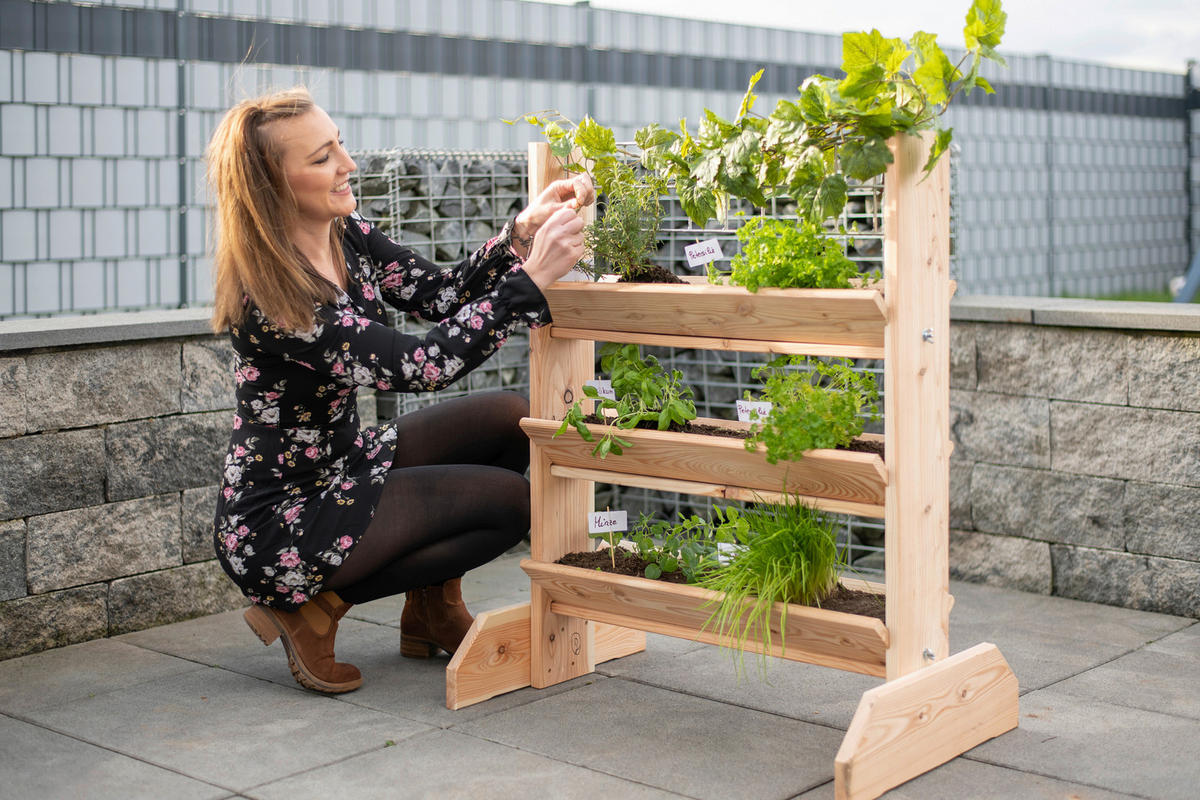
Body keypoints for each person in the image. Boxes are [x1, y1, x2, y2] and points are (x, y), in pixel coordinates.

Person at [206, 87, 592, 694]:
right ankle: (309, 609)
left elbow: (438, 293)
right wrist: (532, 280)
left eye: (339, 145)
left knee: (509, 421)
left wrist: (520, 234)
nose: (347, 165)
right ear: (273, 185)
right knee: (513, 504)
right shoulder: (278, 299)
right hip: (280, 521)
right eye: (322, 157)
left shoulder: (345, 232)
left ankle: (429, 610)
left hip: (341, 468)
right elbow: (420, 364)